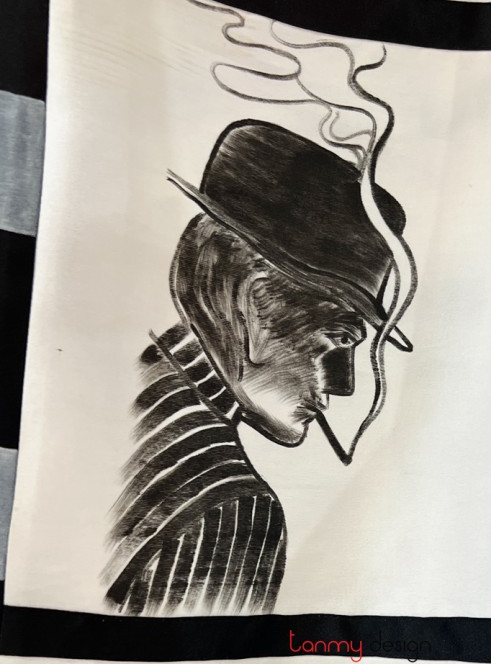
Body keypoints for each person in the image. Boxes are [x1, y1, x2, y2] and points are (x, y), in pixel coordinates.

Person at [104, 120, 409, 615]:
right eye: (339, 338)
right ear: (252, 301)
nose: (344, 385)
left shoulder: (109, 399)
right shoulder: (232, 510)